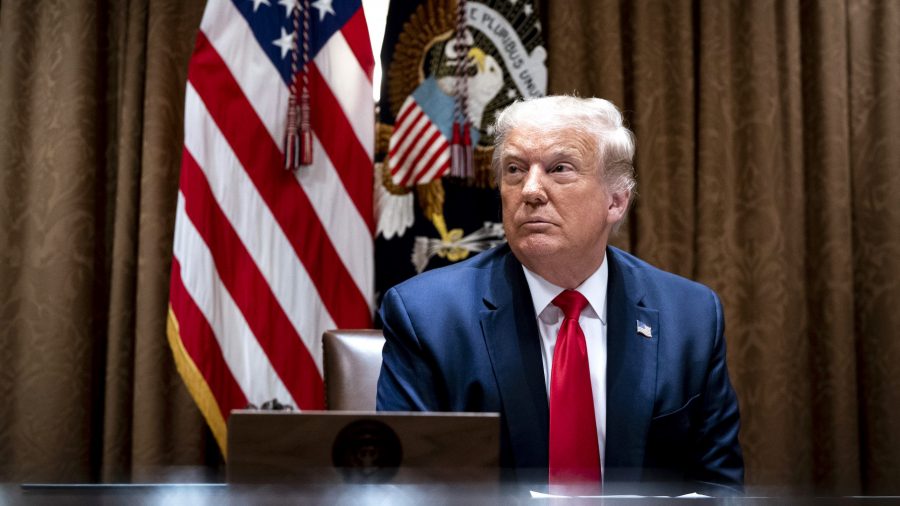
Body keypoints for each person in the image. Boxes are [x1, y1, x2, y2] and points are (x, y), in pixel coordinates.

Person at [376, 96, 743, 495]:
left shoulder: (690, 317)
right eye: (515, 170)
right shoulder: (427, 317)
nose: (531, 190)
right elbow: (405, 489)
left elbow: (717, 486)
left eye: (560, 169)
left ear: (615, 200)